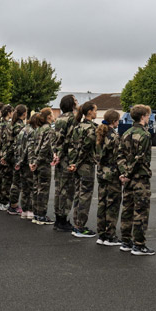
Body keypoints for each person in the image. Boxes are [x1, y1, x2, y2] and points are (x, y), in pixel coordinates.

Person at [118, 105, 155, 256]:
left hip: (128, 179)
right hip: (140, 178)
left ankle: (126, 241)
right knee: (141, 211)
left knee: (127, 209)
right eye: (148, 115)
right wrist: (127, 172)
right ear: (143, 116)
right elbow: (139, 158)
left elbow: (120, 156)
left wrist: (123, 173)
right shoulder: (144, 135)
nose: (148, 118)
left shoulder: (126, 133)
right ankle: (139, 244)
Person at [68, 100, 98, 237]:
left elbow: (72, 147)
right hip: (85, 166)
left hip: (77, 166)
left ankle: (76, 224)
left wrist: (72, 163)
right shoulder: (91, 128)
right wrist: (77, 163)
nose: (96, 113)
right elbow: (86, 149)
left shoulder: (77, 127)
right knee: (85, 197)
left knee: (78, 195)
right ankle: (80, 226)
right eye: (95, 110)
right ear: (90, 112)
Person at [95, 109, 123, 246]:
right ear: (114, 121)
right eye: (118, 120)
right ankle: (110, 236)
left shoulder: (100, 134)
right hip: (112, 173)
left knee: (102, 203)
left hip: (101, 172)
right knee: (112, 205)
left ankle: (101, 234)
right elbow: (119, 157)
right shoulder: (114, 136)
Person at [51, 95, 78, 232]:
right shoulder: (72, 118)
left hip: (59, 156)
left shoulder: (60, 118)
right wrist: (72, 160)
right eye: (75, 100)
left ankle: (58, 219)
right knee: (67, 189)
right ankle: (62, 219)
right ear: (71, 104)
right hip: (67, 157)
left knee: (59, 188)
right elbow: (71, 140)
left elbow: (56, 139)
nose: (77, 102)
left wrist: (56, 153)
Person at [29, 108, 56, 225]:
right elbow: (45, 147)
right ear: (48, 117)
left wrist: (32, 161)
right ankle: (41, 215)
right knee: (43, 190)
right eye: (52, 114)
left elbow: (31, 145)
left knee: (36, 188)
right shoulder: (49, 130)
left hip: (35, 162)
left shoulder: (37, 129)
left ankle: (36, 213)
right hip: (43, 163)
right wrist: (38, 161)